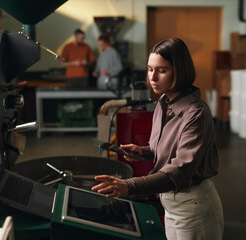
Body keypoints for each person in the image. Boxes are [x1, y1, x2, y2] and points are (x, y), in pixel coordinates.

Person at [92, 38, 224, 239]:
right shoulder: (163, 102)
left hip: (193, 205)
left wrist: (129, 185)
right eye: (149, 69)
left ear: (179, 71)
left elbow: (180, 170)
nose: (153, 77)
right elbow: (164, 148)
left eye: (161, 70)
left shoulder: (196, 113)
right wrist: (144, 151)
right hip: (169, 202)